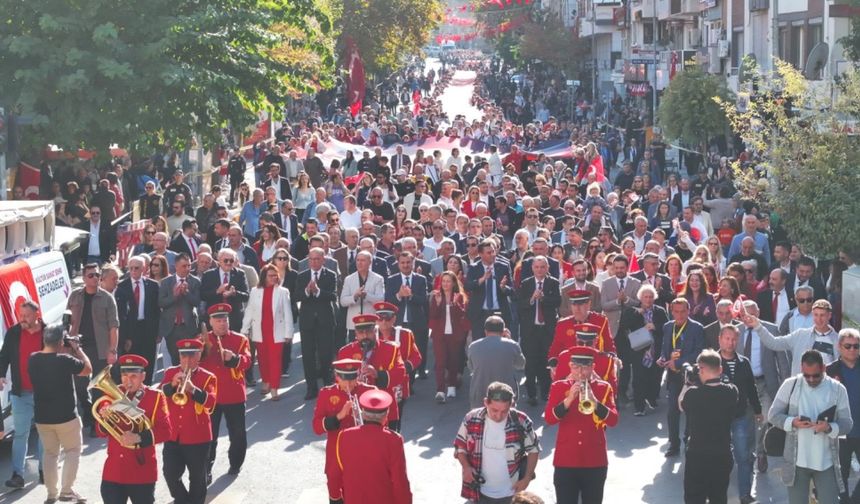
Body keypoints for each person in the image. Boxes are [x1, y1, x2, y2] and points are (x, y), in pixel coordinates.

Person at [767, 350, 853, 504]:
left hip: (826, 463)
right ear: (801, 368)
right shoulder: (790, 384)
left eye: (816, 375)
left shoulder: (838, 389)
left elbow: (847, 424)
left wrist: (829, 427)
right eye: (807, 375)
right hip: (796, 464)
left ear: (824, 368)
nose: (811, 379)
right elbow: (773, 415)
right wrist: (792, 422)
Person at [545, 346, 619, 503]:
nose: (580, 372)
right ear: (570, 366)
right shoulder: (559, 386)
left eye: (585, 367)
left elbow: (613, 420)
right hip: (566, 459)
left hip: (594, 459)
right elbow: (549, 419)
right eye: (576, 367)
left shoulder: (603, 387)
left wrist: (596, 402)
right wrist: (568, 399)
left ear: (593, 367)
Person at [96, 354, 172, 504]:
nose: (128, 381)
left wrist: (138, 438)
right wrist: (104, 417)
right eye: (124, 375)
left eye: (133, 376)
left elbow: (166, 431)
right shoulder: (111, 394)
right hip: (114, 471)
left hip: (141, 472)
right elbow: (99, 431)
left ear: (143, 376)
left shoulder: (155, 397)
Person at [29, 323, 91, 504]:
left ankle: (51, 494)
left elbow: (46, 357)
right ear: (60, 341)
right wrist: (77, 349)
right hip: (66, 417)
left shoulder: (33, 359)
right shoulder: (65, 360)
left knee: (49, 454)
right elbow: (88, 369)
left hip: (43, 417)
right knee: (73, 451)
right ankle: (66, 490)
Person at [454, 382, 541, 504]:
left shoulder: (521, 421)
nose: (499, 416)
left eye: (504, 411)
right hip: (478, 492)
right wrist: (466, 467)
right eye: (494, 410)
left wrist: (527, 478)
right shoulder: (471, 418)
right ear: (486, 402)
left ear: (511, 405)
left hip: (512, 494)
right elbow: (460, 447)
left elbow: (534, 450)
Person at [313, 359, 378, 504]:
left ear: (357, 376)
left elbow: (382, 426)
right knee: (336, 495)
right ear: (337, 376)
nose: (348, 385)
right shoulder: (326, 394)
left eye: (352, 379)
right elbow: (317, 427)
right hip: (337, 455)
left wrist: (365, 419)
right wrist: (338, 417)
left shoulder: (369, 392)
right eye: (344, 380)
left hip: (362, 455)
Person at [679, 349, 739, 504]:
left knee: (694, 498)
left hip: (698, 455)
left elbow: (680, 404)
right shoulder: (731, 392)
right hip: (722, 454)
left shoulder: (693, 394)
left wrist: (688, 382)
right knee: (719, 498)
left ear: (701, 369)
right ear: (720, 369)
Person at [161, 339, 217, 504]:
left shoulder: (209, 377)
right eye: (183, 356)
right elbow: (159, 395)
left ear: (199, 356)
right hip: (173, 436)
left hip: (197, 437)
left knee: (198, 479)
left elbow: (211, 403)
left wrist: (192, 389)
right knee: (170, 474)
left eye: (191, 356)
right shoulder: (170, 373)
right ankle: (182, 500)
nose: (186, 361)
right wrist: (172, 385)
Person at [331, 390, 412, 504]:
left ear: (363, 413)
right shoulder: (394, 440)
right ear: (386, 415)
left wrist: (335, 496)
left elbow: (335, 474)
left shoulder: (344, 435)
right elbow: (399, 481)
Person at [199, 304, 251, 482]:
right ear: (210, 322)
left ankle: (235, 463)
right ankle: (206, 469)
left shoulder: (240, 339)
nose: (222, 323)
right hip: (211, 396)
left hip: (233, 394)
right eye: (218, 320)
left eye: (225, 320)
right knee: (208, 436)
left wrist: (234, 359)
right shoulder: (202, 340)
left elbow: (247, 361)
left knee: (237, 434)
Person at [67, 263, 119, 436]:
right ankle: (89, 416)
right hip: (78, 349)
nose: (95, 278)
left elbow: (114, 326)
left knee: (98, 387)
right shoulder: (75, 296)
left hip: (100, 349)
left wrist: (112, 350)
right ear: (83, 278)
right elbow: (67, 322)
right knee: (81, 387)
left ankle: (98, 423)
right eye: (91, 275)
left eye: (97, 275)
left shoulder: (107, 298)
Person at [336, 314, 407, 432]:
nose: (365, 336)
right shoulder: (345, 352)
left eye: (368, 332)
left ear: (375, 331)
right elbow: (338, 380)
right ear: (356, 334)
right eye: (360, 333)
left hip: (384, 410)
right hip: (356, 410)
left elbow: (401, 373)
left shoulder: (391, 349)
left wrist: (378, 374)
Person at [0, 300, 44, 488]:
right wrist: (1, 374)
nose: (22, 319)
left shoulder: (49, 332)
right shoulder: (14, 332)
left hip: (45, 393)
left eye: (26, 315)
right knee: (20, 434)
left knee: (44, 433)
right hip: (20, 393)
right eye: (20, 315)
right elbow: (4, 356)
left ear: (36, 314)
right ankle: (18, 474)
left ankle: (44, 470)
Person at [716, 325, 761, 503]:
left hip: (741, 415)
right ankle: (717, 494)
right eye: (727, 338)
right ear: (720, 339)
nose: (730, 342)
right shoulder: (712, 362)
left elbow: (751, 387)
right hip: (717, 419)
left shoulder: (744, 362)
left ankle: (744, 494)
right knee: (719, 457)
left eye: (734, 339)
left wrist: (757, 410)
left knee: (744, 456)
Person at [658, 298, 706, 457]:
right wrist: (662, 358)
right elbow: (665, 347)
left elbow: (699, 352)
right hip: (673, 377)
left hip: (690, 376)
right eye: (676, 311)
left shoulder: (697, 328)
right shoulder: (667, 326)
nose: (679, 315)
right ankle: (673, 443)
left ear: (689, 311)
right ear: (672, 311)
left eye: (683, 311)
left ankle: (688, 440)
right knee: (672, 410)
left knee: (690, 410)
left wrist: (678, 363)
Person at [241, 264, 294, 400]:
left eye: (275, 275)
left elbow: (288, 313)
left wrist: (289, 333)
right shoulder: (255, 291)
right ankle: (266, 381)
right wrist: (244, 330)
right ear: (264, 277)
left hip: (277, 331)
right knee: (263, 359)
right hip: (260, 330)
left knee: (275, 360)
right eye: (270, 275)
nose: (274, 278)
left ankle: (275, 388)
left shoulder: (283, 291)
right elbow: (250, 311)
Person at [617, 284, 669, 415]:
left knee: (655, 377)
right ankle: (639, 407)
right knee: (639, 378)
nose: (648, 299)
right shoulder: (632, 310)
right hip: (639, 350)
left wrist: (655, 326)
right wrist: (636, 313)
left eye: (651, 296)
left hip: (655, 349)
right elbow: (624, 325)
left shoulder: (660, 311)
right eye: (645, 297)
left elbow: (667, 327)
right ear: (640, 298)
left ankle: (651, 398)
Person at [750, 298, 839, 375]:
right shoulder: (800, 335)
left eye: (822, 315)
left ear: (829, 316)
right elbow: (774, 343)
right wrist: (758, 327)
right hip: (801, 389)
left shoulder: (838, 340)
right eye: (816, 315)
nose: (819, 319)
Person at [517, 256, 561, 405]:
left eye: (542, 267)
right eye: (537, 267)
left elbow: (557, 301)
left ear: (547, 268)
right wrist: (531, 299)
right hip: (530, 329)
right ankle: (531, 394)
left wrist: (542, 298)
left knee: (545, 361)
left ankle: (545, 392)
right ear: (532, 268)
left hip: (547, 329)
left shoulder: (553, 283)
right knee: (530, 362)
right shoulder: (526, 283)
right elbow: (520, 304)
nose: (540, 270)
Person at [296, 247, 339, 400]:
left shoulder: (331, 275)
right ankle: (311, 387)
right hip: (307, 321)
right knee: (308, 355)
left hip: (325, 320)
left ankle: (328, 385)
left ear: (323, 260)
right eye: (311, 259)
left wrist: (319, 291)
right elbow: (296, 296)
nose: (314, 262)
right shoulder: (302, 276)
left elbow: (333, 296)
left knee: (326, 354)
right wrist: (307, 292)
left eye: (317, 259)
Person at [824, 329, 860, 504]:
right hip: (840, 433)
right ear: (839, 347)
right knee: (841, 475)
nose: (852, 350)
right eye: (848, 346)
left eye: (856, 346)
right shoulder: (830, 371)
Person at [384, 250, 430, 378]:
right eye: (402, 263)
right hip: (399, 321)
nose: (405, 265)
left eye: (408, 262)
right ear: (398, 264)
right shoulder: (392, 280)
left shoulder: (421, 279)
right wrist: (399, 295)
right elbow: (388, 301)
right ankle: (405, 375)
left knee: (419, 347)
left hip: (417, 320)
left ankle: (421, 371)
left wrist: (410, 296)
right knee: (402, 349)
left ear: (413, 263)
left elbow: (423, 299)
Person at [374, 303, 422, 423]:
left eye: (388, 317)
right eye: (380, 318)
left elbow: (416, 357)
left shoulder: (405, 335)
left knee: (394, 421)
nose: (384, 321)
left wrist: (402, 369)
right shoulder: (370, 334)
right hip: (375, 384)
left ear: (394, 318)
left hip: (397, 386)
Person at [115, 256, 161, 383]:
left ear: (144, 269)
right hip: (130, 331)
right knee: (131, 363)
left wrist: (158, 333)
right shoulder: (121, 287)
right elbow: (120, 315)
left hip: (148, 330)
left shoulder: (153, 285)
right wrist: (125, 337)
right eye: (131, 268)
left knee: (148, 362)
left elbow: (157, 311)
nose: (134, 271)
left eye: (137, 268)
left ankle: (146, 390)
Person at [428, 271, 470, 403]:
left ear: (453, 283)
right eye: (443, 281)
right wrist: (439, 303)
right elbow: (433, 315)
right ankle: (440, 390)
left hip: (455, 334)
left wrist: (456, 303)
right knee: (440, 362)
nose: (445, 284)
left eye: (448, 281)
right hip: (439, 334)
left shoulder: (459, 296)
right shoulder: (436, 295)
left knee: (453, 361)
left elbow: (462, 315)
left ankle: (451, 386)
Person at [467, 316, 526, 409]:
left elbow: (471, 367)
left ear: (485, 331)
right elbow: (521, 364)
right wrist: (510, 339)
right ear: (503, 331)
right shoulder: (512, 345)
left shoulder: (473, 346)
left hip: (480, 397)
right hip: (505, 396)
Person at [159, 253, 202, 366]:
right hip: (171, 328)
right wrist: (174, 295)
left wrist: (186, 293)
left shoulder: (195, 281)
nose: (187, 269)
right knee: (175, 359)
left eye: (189, 266)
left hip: (188, 327)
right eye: (184, 266)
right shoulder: (166, 282)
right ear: (176, 266)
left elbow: (197, 302)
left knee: (188, 359)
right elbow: (161, 303)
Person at [465, 241, 514, 340]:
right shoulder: (474, 267)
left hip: (499, 312)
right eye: (489, 252)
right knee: (479, 344)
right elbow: (467, 286)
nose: (493, 254)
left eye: (493, 251)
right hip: (480, 314)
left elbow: (512, 290)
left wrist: (503, 287)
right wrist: (482, 279)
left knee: (500, 345)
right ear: (480, 254)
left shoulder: (503, 266)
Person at [340, 250, 385, 341]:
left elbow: (381, 300)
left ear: (370, 262)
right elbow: (343, 301)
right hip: (354, 323)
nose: (359, 263)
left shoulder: (378, 279)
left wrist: (367, 296)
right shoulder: (349, 279)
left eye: (363, 260)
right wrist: (354, 296)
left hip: (371, 322)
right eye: (358, 260)